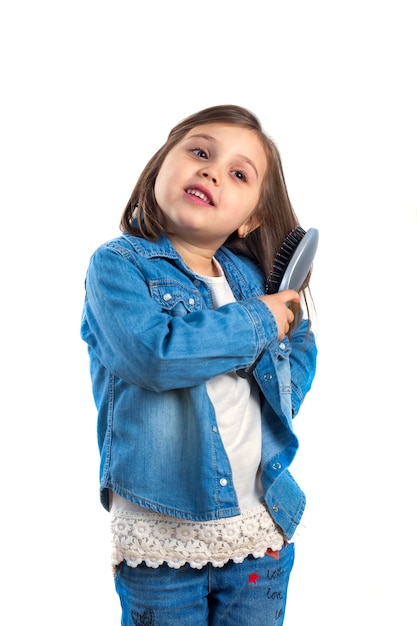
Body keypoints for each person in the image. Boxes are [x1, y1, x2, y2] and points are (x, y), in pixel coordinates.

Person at [81, 104, 317, 626]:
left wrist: (279, 390)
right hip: (161, 539)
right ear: (161, 164)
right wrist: (258, 321)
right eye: (200, 152)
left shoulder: (252, 278)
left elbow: (297, 339)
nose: (212, 171)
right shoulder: (117, 267)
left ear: (251, 217)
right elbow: (153, 355)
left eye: (238, 173)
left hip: (259, 530)